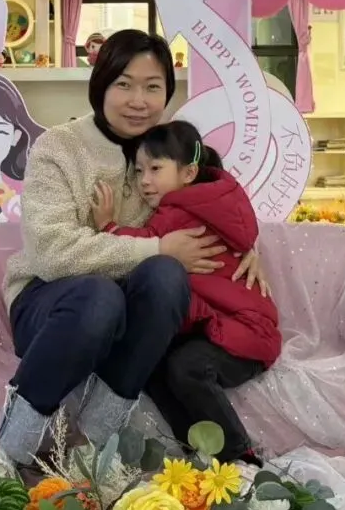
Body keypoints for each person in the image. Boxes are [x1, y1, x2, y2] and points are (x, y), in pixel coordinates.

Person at [0, 29, 266, 466]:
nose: (138, 101)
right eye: (124, 84)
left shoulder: (168, 149)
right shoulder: (59, 148)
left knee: (165, 275)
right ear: (101, 84)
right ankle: (12, 448)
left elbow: (218, 197)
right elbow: (51, 253)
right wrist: (156, 247)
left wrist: (246, 245)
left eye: (153, 87)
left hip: (131, 314)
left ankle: (91, 446)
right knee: (102, 294)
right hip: (53, 306)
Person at [91, 120, 279, 464]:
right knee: (155, 365)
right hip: (231, 328)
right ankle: (198, 454)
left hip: (245, 334)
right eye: (139, 171)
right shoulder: (213, 202)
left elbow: (145, 246)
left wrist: (108, 227)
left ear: (189, 172)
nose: (144, 180)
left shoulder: (180, 213)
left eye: (155, 169)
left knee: (186, 367)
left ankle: (239, 455)